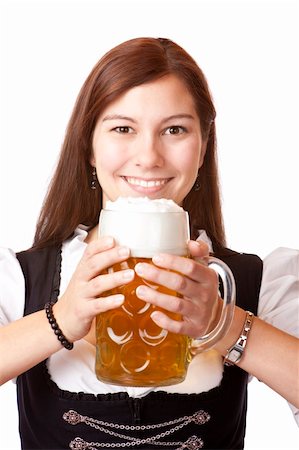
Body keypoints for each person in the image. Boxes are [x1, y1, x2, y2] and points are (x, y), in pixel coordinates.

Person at [0, 37, 298, 450]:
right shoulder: (21, 279)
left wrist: (223, 324)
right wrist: (60, 321)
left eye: (174, 129)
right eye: (123, 128)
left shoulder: (254, 281)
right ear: (89, 145)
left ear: (203, 146)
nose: (149, 156)